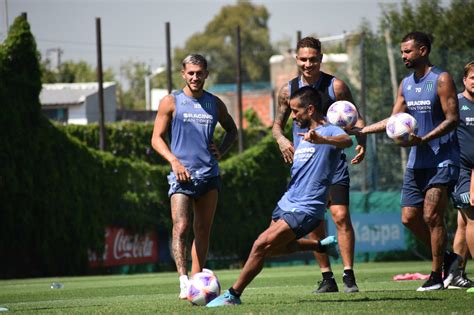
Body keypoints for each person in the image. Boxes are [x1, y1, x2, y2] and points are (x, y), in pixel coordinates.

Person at [207, 86, 353, 307]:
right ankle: (321, 246)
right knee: (275, 249)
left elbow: (346, 141)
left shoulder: (330, 131)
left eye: (296, 111)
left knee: (260, 245)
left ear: (311, 109)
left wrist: (324, 141)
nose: (292, 116)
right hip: (287, 201)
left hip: (306, 208)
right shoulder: (302, 134)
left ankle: (233, 295)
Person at [359, 31, 461, 291]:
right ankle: (448, 259)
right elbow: (393, 121)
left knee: (432, 216)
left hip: (442, 159)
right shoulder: (405, 84)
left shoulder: (441, 79)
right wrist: (361, 131)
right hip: (417, 161)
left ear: (423, 51)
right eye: (402, 52)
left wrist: (424, 138)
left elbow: (452, 118)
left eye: (407, 51)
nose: (403, 56)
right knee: (408, 218)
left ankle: (436, 276)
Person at [272, 36, 366, 293]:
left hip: (333, 164)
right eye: (303, 59)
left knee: (341, 215)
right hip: (304, 168)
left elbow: (355, 119)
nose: (308, 63)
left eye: (313, 59)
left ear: (321, 58)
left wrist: (362, 140)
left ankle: (349, 275)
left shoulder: (336, 87)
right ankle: (327, 277)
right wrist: (281, 141)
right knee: (314, 222)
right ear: (297, 60)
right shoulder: (287, 90)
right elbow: (277, 125)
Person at [151, 54, 237, 299]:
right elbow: (156, 138)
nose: (195, 77)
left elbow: (232, 131)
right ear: (183, 74)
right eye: (191, 73)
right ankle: (182, 281)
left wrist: (221, 149)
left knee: (202, 230)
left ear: (206, 74)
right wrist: (174, 161)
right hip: (181, 177)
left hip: (209, 176)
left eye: (199, 73)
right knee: (181, 227)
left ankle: (196, 282)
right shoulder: (171, 101)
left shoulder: (215, 104)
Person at [449, 61, 474, 289]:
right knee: (472, 216)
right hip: (463, 171)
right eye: (472, 77)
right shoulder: (456, 103)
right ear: (465, 80)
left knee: (463, 223)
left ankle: (456, 275)